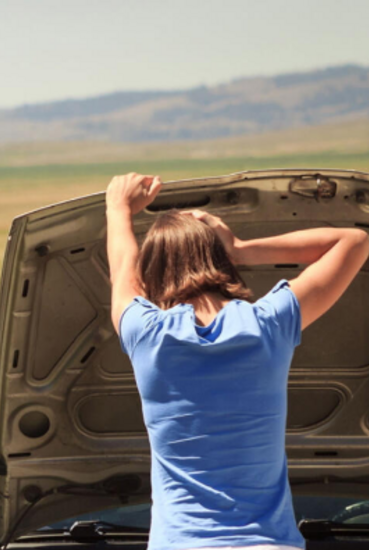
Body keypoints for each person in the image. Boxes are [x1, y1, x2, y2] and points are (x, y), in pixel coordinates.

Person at [105, 173, 369, 550]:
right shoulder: (268, 324)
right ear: (221, 262)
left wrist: (118, 208)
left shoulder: (147, 335)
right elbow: (354, 240)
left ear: (153, 274)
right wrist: (241, 248)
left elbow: (122, 274)